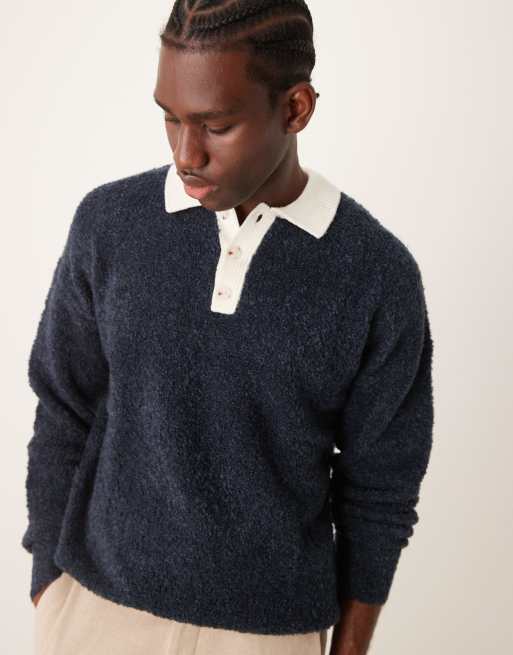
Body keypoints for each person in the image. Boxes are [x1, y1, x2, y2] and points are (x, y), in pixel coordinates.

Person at [22, 1, 434, 654]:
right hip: (94, 616)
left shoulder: (375, 276)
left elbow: (380, 489)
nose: (186, 154)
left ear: (295, 108)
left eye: (216, 126)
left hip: (267, 635)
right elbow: (62, 406)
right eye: (170, 117)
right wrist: (49, 585)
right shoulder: (109, 226)